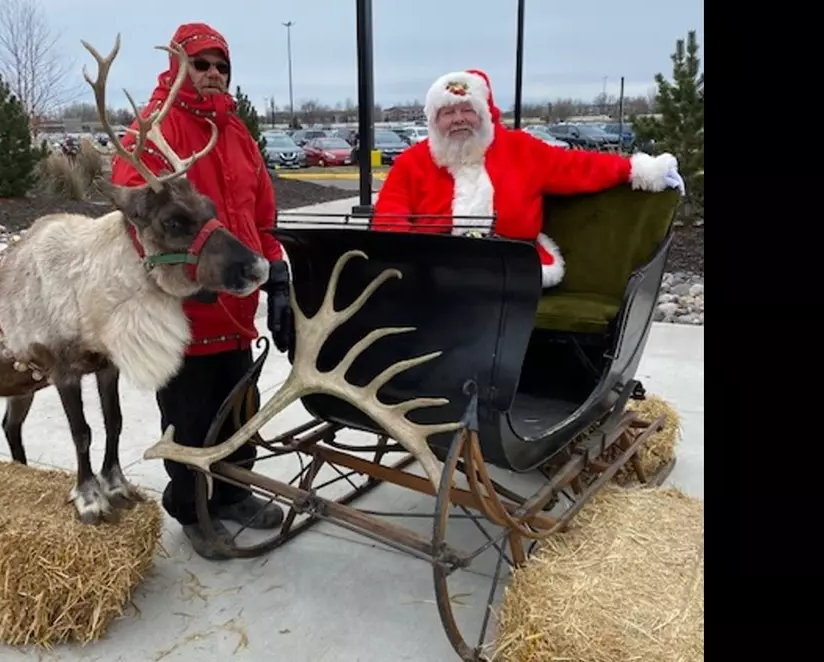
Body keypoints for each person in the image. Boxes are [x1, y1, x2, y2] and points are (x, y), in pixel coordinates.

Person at [110, 23, 294, 560]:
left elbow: (263, 215)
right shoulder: (153, 132)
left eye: (222, 66)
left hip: (238, 308)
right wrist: (186, 277)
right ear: (178, 68)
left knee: (239, 408)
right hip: (185, 313)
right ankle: (192, 511)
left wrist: (276, 275)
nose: (213, 73)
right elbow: (136, 215)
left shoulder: (236, 134)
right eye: (201, 63)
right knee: (190, 420)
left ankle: (235, 495)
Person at [372, 68, 685, 288]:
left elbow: (578, 166)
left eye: (467, 110)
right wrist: (407, 263)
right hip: (433, 266)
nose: (458, 120)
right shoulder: (412, 162)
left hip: (511, 264)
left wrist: (638, 170)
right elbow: (390, 215)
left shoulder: (520, 149)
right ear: (434, 121)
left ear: (483, 114)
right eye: (447, 113)